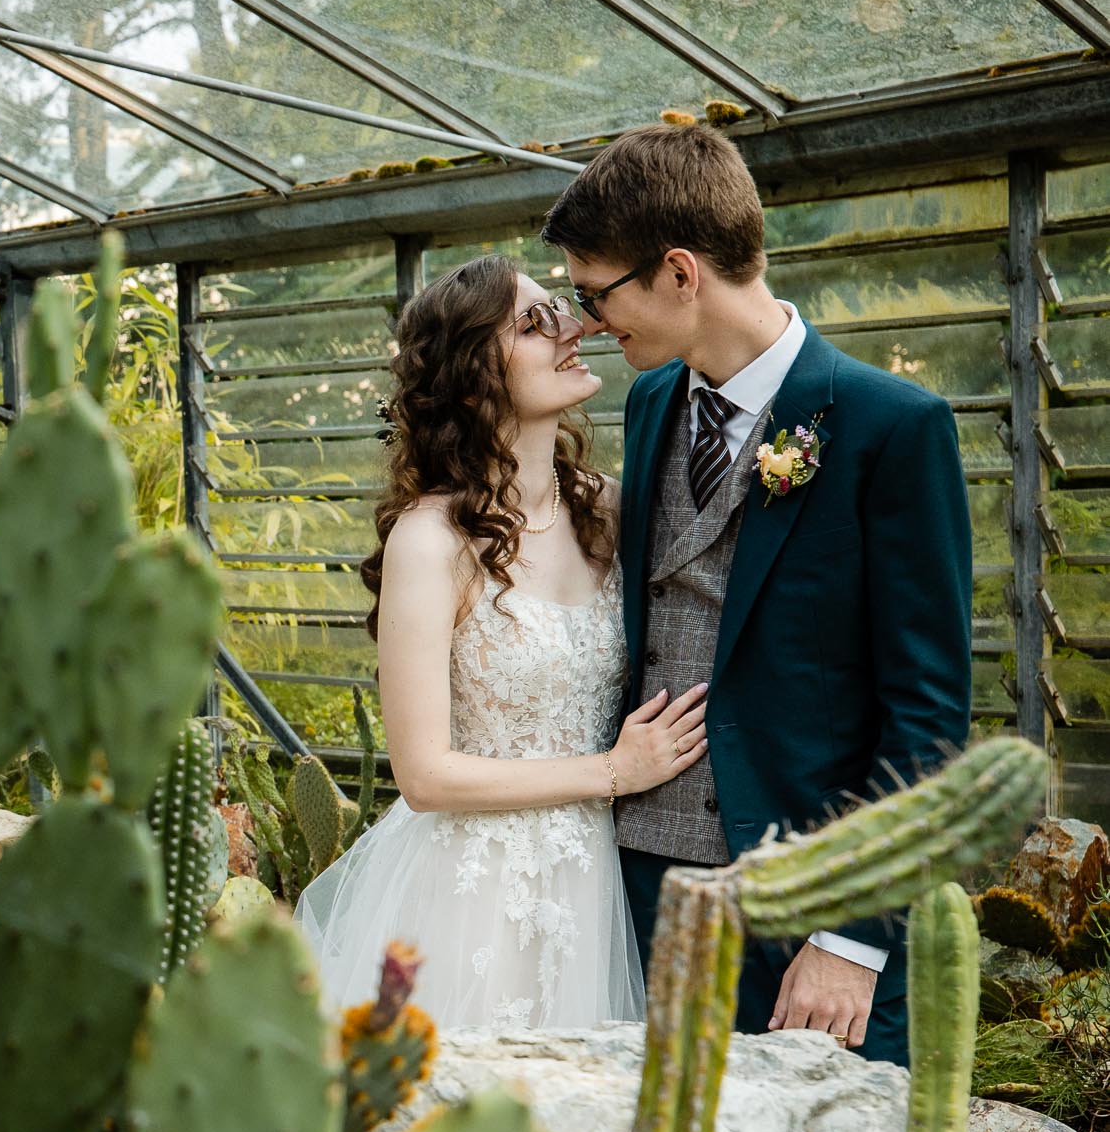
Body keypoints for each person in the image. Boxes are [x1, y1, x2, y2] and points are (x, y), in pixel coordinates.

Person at [541, 122, 972, 1067]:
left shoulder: (891, 427)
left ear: (681, 273)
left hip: (810, 924)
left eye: (594, 291)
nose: (586, 321)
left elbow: (929, 718)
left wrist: (855, 938)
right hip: (642, 896)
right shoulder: (652, 403)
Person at [296, 253, 702, 1031]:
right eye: (533, 321)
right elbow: (424, 775)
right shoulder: (430, 541)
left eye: (563, 308)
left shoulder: (611, 510)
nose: (573, 327)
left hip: (592, 885)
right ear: (474, 370)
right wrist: (613, 770)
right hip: (471, 890)